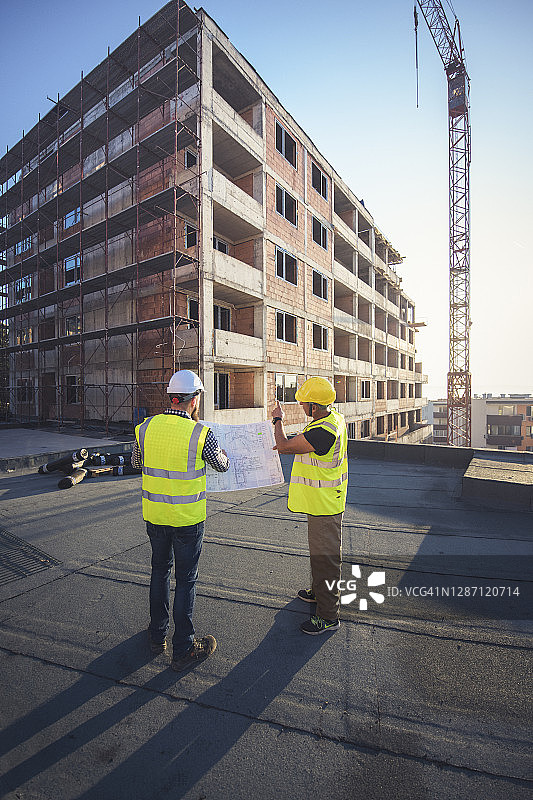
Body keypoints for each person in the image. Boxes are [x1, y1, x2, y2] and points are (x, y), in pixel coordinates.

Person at [131, 369, 229, 671]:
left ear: (171, 397)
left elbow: (137, 463)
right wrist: (221, 453)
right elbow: (222, 465)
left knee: (159, 572)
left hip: (155, 516)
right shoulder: (201, 433)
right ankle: (184, 647)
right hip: (188, 520)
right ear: (194, 399)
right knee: (186, 580)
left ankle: (156, 636)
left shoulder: (145, 428)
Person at [272, 377, 348, 635]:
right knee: (320, 555)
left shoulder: (322, 432)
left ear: (314, 407)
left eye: (304, 403)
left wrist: (277, 420)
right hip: (324, 502)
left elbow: (283, 446)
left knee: (326, 560)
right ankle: (318, 593)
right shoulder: (332, 418)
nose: (301, 406)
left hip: (325, 505)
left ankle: (328, 616)